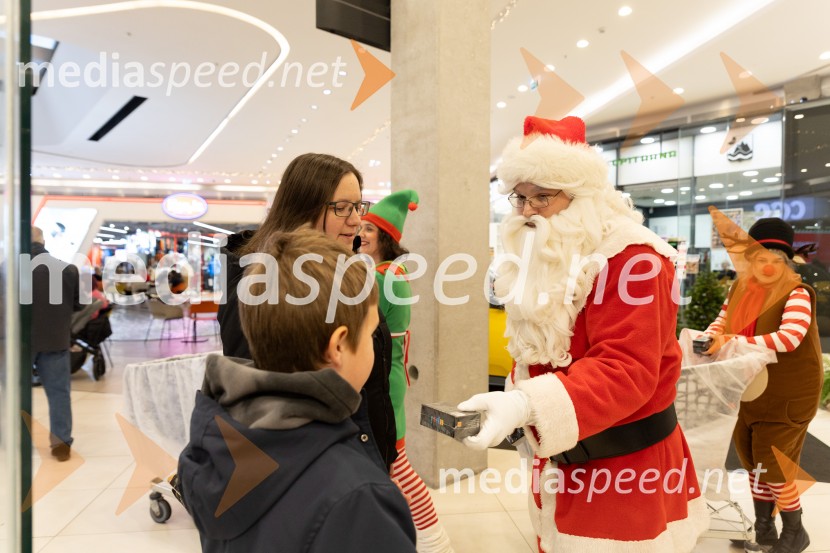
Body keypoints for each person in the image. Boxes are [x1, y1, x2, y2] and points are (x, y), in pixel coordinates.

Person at [458, 116, 709, 552]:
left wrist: (523, 403)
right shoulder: (552, 253)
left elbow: (627, 369)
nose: (528, 212)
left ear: (582, 195)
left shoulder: (633, 259)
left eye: (543, 197)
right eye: (520, 197)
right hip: (561, 458)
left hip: (627, 468)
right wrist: (520, 407)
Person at [178, 229, 416, 552]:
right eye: (372, 333)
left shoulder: (223, 450)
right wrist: (376, 511)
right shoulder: (356, 498)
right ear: (339, 346)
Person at [218, 153, 398, 469]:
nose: (356, 220)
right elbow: (258, 389)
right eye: (342, 208)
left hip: (360, 448)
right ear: (304, 207)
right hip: (316, 464)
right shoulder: (259, 282)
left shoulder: (341, 268)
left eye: (358, 206)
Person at [704, 218, 822, 553]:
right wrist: (711, 336)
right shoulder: (740, 288)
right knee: (753, 460)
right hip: (750, 390)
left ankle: (795, 530)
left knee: (773, 464)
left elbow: (790, 337)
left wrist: (734, 341)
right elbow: (723, 320)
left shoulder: (797, 292)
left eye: (775, 258)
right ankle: (765, 528)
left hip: (787, 394)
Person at [359, 190, 454, 553]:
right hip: (389, 376)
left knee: (396, 465)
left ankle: (433, 541)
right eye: (362, 227)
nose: (362, 234)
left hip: (382, 379)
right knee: (387, 462)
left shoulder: (381, 278)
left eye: (370, 229)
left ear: (386, 237)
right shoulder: (390, 271)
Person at [31, 226, 82, 461]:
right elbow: (77, 305)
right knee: (59, 393)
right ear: (43, 240)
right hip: (55, 338)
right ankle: (61, 444)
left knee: (11, 392)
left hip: (17, 343)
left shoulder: (7, 269)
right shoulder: (67, 269)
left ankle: (15, 440)